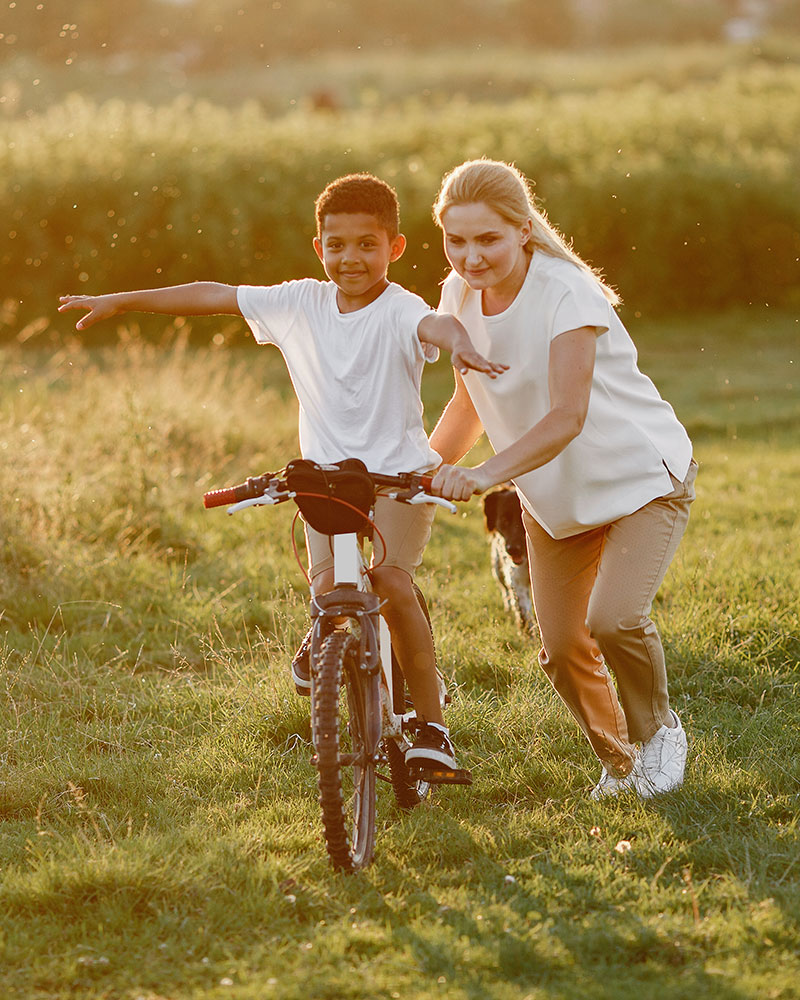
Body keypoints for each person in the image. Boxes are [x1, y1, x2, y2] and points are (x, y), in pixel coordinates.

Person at [59, 172, 506, 778]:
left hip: (400, 478)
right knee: (328, 594)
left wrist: (458, 343)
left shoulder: (400, 308)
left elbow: (435, 327)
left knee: (393, 584)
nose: (351, 258)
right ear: (318, 246)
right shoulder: (300, 302)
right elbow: (213, 293)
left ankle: (432, 728)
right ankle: (325, 638)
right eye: (337, 244)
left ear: (394, 248)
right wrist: (123, 301)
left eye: (367, 245)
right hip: (324, 481)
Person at [427, 159, 696, 799]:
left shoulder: (565, 291)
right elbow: (470, 401)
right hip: (554, 498)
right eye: (455, 240)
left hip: (639, 480)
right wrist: (424, 467)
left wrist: (484, 474)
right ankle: (622, 763)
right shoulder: (458, 295)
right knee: (561, 649)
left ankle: (660, 734)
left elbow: (567, 415)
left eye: (487, 239)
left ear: (523, 230)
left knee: (613, 621)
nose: (470, 257)